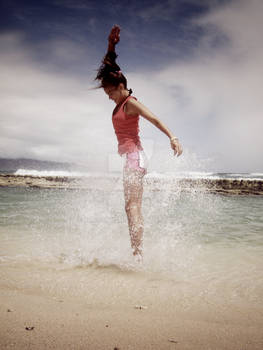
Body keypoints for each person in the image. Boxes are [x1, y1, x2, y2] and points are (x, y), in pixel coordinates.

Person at [95, 25, 183, 261]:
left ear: (121, 87)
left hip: (136, 157)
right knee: (131, 207)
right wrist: (111, 44)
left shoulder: (131, 103)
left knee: (132, 207)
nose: (109, 97)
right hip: (131, 158)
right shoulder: (119, 100)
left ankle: (138, 255)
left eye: (111, 93)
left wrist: (172, 137)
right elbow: (110, 65)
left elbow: (153, 118)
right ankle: (138, 254)